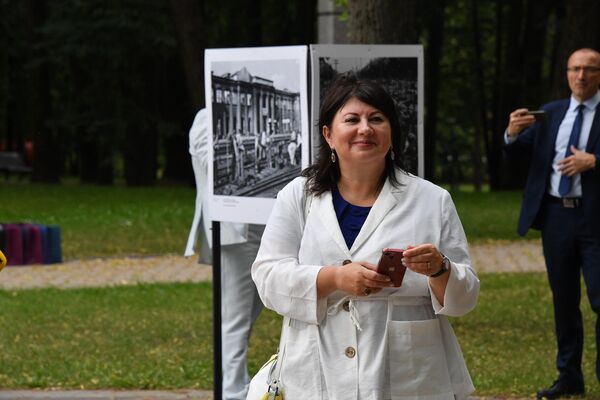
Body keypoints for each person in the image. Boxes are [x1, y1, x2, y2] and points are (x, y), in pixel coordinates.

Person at [251, 74, 479, 399]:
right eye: (352, 119)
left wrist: (441, 270)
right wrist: (333, 278)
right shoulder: (297, 197)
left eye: (376, 119)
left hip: (408, 371)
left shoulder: (432, 200)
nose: (365, 129)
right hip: (316, 365)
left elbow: (466, 297)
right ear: (328, 134)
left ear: (392, 133)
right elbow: (267, 277)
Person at [504, 48, 600, 399]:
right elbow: (515, 155)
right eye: (575, 69)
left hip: (595, 219)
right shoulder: (553, 112)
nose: (581, 76)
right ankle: (569, 376)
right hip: (557, 216)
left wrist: (595, 161)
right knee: (564, 299)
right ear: (567, 73)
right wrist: (512, 134)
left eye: (589, 69)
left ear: (599, 74)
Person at [184, 109, 264, 400]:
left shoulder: (243, 118)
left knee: (254, 309)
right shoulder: (206, 119)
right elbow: (213, 167)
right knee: (235, 317)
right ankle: (233, 391)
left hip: (266, 228)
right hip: (234, 233)